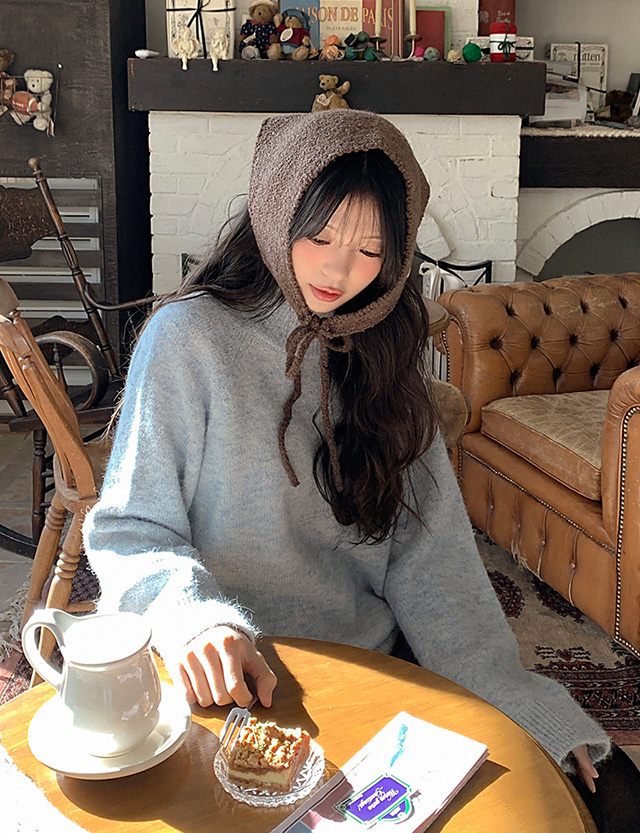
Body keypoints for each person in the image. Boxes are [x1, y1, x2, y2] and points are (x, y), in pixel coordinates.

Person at [83, 110, 638, 832]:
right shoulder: (187, 339)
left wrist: (515, 698)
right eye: (319, 237)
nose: (339, 271)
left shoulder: (385, 353)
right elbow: (130, 528)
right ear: (275, 216)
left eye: (371, 249)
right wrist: (194, 620)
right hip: (220, 682)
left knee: (609, 797)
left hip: (367, 670)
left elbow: (432, 560)